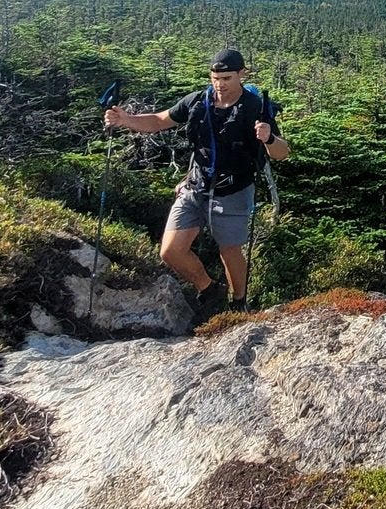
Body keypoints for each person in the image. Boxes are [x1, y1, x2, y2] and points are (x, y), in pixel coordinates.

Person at [105, 48, 288, 313]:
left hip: (234, 190)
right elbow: (159, 121)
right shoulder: (197, 101)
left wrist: (269, 137)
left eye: (227, 78)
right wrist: (125, 120)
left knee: (230, 251)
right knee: (170, 251)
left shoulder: (254, 108)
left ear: (242, 75)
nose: (220, 84)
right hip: (196, 185)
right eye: (216, 78)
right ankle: (210, 289)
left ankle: (239, 303)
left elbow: (281, 153)